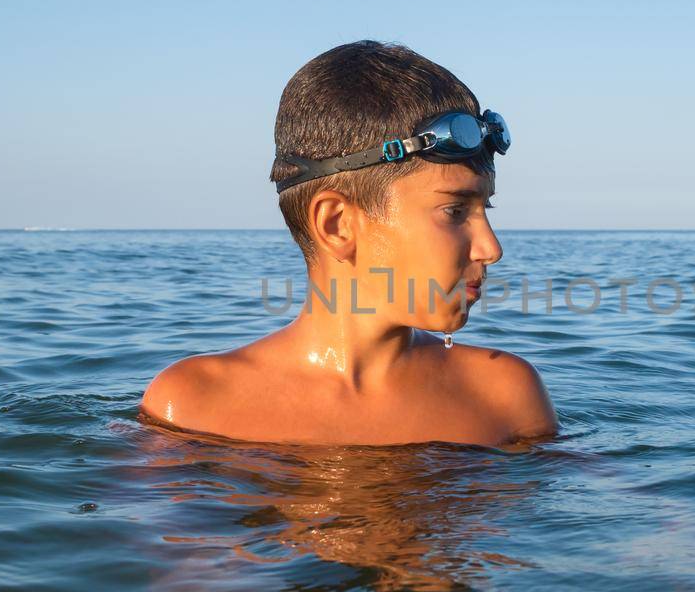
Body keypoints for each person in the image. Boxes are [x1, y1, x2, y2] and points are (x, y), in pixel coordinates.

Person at [140, 40, 558, 448]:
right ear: (337, 225)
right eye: (454, 211)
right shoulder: (193, 404)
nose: (491, 247)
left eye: (486, 208)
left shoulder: (507, 396)